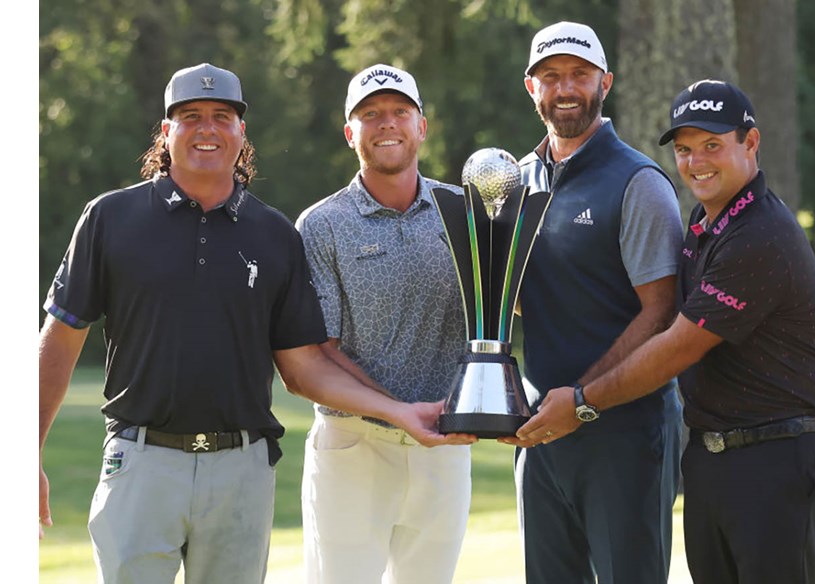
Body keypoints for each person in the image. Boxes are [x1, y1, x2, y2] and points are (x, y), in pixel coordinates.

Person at [38, 62, 471, 584]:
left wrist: (402, 413)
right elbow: (59, 340)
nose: (207, 129)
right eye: (190, 115)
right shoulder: (109, 218)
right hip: (140, 458)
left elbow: (303, 363)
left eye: (223, 116)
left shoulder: (274, 234)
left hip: (242, 469)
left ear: (242, 133)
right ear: (166, 130)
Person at [513, 79, 815, 583]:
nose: (695, 162)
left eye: (712, 145)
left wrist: (580, 401)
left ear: (750, 143)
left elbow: (677, 345)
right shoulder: (707, 224)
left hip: (778, 461)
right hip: (714, 459)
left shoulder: (759, 235)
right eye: (685, 149)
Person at [498, 22, 685, 583]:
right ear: (531, 88)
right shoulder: (515, 181)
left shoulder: (638, 182)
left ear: (606, 81)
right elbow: (526, 299)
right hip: (541, 429)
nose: (566, 88)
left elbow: (662, 313)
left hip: (625, 432)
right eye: (551, 77)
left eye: (579, 74)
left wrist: (580, 400)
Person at [293, 63, 473, 584]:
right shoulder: (322, 224)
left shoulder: (462, 211)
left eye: (400, 112)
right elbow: (320, 349)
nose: (386, 123)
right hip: (353, 445)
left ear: (422, 126)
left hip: (445, 444)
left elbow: (504, 309)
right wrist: (398, 412)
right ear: (351, 133)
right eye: (370, 114)